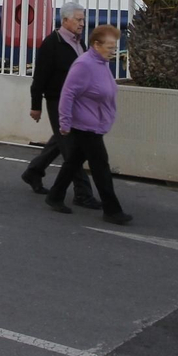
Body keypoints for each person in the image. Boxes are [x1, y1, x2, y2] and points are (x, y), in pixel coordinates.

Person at [45, 24, 133, 225]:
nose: (114, 51)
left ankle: (55, 195)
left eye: (114, 47)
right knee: (100, 165)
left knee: (74, 161)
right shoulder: (84, 64)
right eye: (110, 47)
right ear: (96, 44)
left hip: (96, 122)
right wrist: (64, 122)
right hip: (86, 124)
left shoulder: (101, 63)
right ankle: (112, 210)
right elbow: (68, 93)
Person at [20, 3, 96, 207]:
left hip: (77, 102)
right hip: (57, 101)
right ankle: (83, 193)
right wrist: (35, 106)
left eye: (83, 19)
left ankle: (33, 172)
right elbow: (39, 78)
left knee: (60, 142)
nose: (82, 23)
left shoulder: (80, 44)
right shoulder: (51, 44)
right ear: (65, 21)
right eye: (78, 20)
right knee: (71, 148)